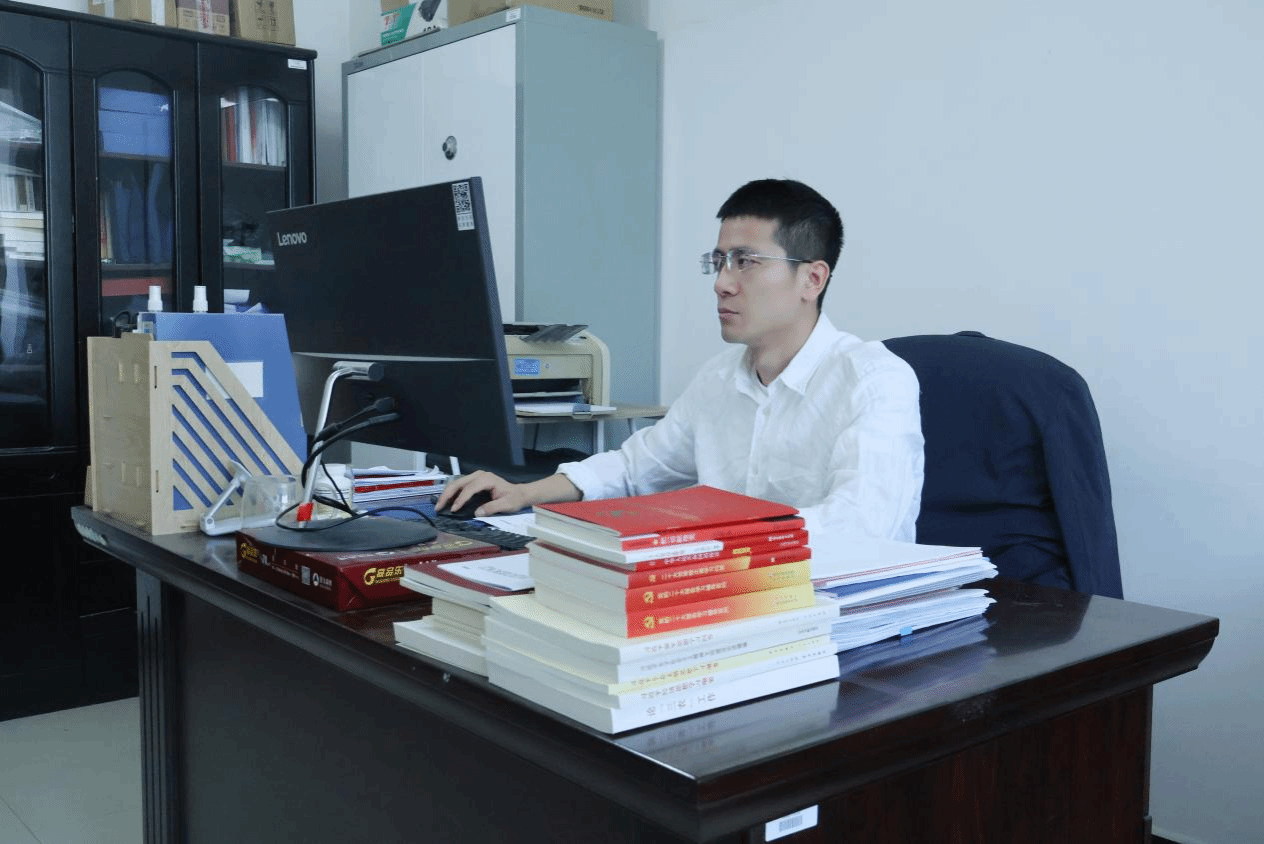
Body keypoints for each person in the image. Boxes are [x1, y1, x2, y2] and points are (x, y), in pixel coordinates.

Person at [437, 178, 924, 542]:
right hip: (730, 594)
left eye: (746, 262)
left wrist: (699, 539)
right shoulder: (718, 379)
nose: (722, 283)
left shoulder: (873, 380)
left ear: (812, 280)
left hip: (845, 609)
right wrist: (525, 492)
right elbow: (635, 468)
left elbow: (862, 525)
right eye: (719, 262)